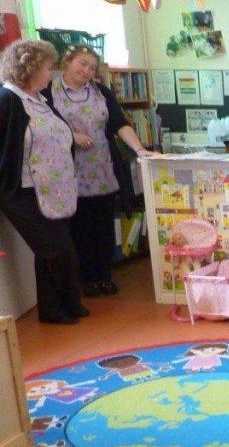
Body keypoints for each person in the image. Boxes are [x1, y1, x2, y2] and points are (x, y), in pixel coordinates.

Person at [43, 45, 156, 296]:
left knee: (102, 227)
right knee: (79, 228)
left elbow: (119, 123)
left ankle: (103, 276)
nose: (87, 71)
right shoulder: (48, 91)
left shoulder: (101, 92)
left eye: (92, 68)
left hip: (101, 169)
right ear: (67, 62)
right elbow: (44, 125)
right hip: (67, 172)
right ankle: (86, 280)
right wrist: (72, 135)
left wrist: (139, 149)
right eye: (82, 64)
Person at [0, 39, 88, 324]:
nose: (52, 73)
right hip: (23, 191)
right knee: (58, 249)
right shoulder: (7, 100)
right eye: (48, 68)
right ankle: (66, 303)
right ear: (30, 68)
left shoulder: (41, 100)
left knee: (49, 251)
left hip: (54, 188)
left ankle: (55, 309)